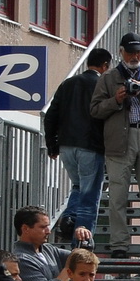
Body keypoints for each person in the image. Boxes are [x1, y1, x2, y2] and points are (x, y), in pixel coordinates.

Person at [91, 32, 140, 255]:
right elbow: (95, 110)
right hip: (119, 140)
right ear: (121, 52)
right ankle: (119, 245)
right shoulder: (107, 78)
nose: (135, 56)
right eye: (131, 51)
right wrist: (116, 99)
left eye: (139, 52)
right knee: (117, 195)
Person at [43, 49, 111, 241]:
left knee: (78, 186)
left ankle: (70, 215)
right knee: (89, 197)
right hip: (91, 145)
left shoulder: (68, 83)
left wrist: (52, 145)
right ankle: (82, 243)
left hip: (66, 146)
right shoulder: (102, 85)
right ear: (105, 66)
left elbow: (50, 116)